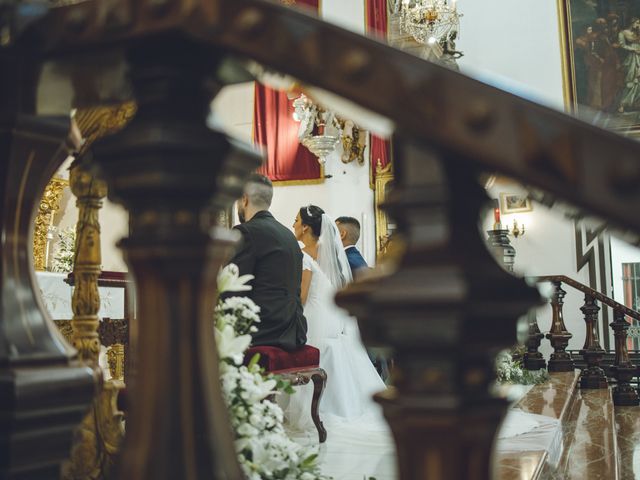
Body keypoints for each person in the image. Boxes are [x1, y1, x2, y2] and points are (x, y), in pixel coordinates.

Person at [290, 205, 386, 424]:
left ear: (305, 227)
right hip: (333, 318)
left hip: (313, 314)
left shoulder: (303, 255)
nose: (293, 224)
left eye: (296, 220)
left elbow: (302, 296)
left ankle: (316, 410)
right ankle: (342, 405)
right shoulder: (332, 253)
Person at [227, 173, 307, 351]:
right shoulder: (289, 236)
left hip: (263, 332)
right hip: (293, 331)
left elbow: (234, 290)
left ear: (244, 199)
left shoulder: (246, 232)